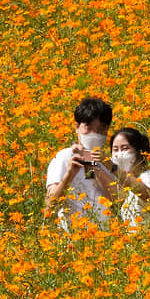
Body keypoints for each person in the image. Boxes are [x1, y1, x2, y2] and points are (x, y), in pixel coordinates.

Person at [45, 97, 117, 231]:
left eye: (101, 129)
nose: (94, 134)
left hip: (106, 238)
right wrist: (69, 174)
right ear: (77, 128)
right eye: (88, 128)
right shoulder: (64, 157)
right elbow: (50, 205)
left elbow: (120, 202)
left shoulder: (109, 162)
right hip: (73, 238)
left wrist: (96, 168)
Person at [108, 127, 150, 228]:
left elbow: (146, 194)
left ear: (139, 152)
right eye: (115, 149)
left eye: (125, 148)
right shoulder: (127, 182)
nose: (119, 154)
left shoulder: (149, 177)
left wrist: (111, 166)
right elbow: (116, 198)